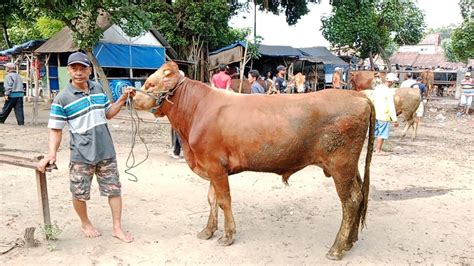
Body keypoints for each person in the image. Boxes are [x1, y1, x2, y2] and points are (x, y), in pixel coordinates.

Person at [37, 52, 135, 242]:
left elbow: (108, 113)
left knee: (114, 190)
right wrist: (52, 153)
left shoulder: (98, 88)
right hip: (81, 154)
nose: (79, 72)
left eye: (83, 68)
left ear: (89, 70)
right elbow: (56, 129)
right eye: (75, 68)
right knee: (79, 193)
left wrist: (122, 99)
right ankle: (85, 223)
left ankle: (117, 227)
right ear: (69, 71)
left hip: (106, 150)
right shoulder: (62, 99)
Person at [371, 73, 399, 153]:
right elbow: (390, 106)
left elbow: (372, 99)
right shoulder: (388, 92)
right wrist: (394, 119)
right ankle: (378, 150)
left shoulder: (377, 88)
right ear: (391, 81)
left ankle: (371, 148)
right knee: (382, 133)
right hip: (384, 115)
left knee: (374, 132)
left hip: (375, 113)